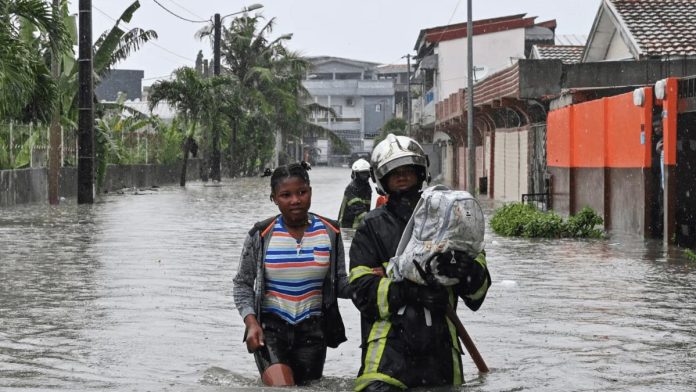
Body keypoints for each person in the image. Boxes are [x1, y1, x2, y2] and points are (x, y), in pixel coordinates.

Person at [348, 134, 491, 391]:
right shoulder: (371, 226)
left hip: (442, 354)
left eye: (408, 171)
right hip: (387, 354)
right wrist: (409, 292)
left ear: (421, 172)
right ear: (381, 180)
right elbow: (361, 292)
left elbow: (477, 294)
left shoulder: (453, 220)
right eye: (394, 172)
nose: (402, 177)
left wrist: (465, 270)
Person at [233, 161, 351, 386]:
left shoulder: (330, 232)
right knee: (282, 386)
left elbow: (340, 283)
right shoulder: (261, 235)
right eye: (286, 195)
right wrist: (251, 322)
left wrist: (368, 282)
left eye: (302, 192)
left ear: (310, 192)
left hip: (313, 332)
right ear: (274, 198)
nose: (295, 200)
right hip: (271, 330)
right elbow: (242, 285)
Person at [338, 158, 372, 229]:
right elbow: (360, 211)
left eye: (366, 173)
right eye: (362, 174)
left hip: (360, 228)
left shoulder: (367, 189)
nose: (365, 176)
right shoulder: (351, 189)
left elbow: (367, 210)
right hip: (347, 227)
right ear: (355, 174)